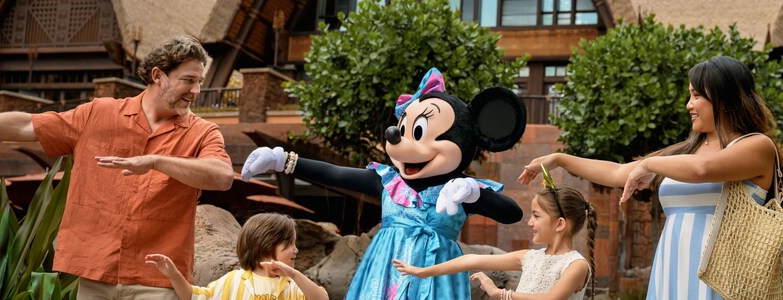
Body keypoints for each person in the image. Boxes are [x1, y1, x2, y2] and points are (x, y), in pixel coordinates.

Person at [518, 56, 783, 300]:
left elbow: (703, 170)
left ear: (723, 98)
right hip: (671, 270)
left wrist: (650, 164)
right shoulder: (686, 151)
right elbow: (617, 173)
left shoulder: (757, 146)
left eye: (696, 96)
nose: (689, 105)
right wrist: (559, 160)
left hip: (725, 278)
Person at [240, 68, 525, 299]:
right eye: (404, 130)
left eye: (418, 133)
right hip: (384, 274)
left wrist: (474, 193)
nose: (402, 142)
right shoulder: (389, 181)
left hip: (436, 279)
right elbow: (336, 174)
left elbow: (512, 213)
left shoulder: (460, 189)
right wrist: (284, 160)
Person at [0, 35, 234, 298]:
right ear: (158, 75)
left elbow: (222, 176)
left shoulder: (203, 132)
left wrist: (156, 162)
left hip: (158, 282)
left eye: (199, 82)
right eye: (188, 80)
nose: (196, 91)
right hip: (96, 273)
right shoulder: (99, 113)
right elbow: (28, 125)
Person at [393, 177, 597, 300]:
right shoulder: (529, 257)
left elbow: (550, 299)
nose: (530, 223)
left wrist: (499, 293)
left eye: (536, 216)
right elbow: (471, 260)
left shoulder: (576, 265)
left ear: (560, 224)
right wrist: (423, 272)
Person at [145, 213, 328, 300]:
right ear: (265, 245)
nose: (295, 250)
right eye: (288, 244)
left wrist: (294, 275)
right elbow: (194, 296)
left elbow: (321, 299)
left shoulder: (293, 286)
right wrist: (174, 275)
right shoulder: (232, 281)